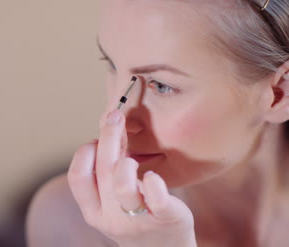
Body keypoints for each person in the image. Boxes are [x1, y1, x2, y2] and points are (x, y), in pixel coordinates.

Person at [26, 0, 289, 246]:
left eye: (161, 85)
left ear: (280, 94)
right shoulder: (69, 221)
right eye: (112, 66)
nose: (115, 119)